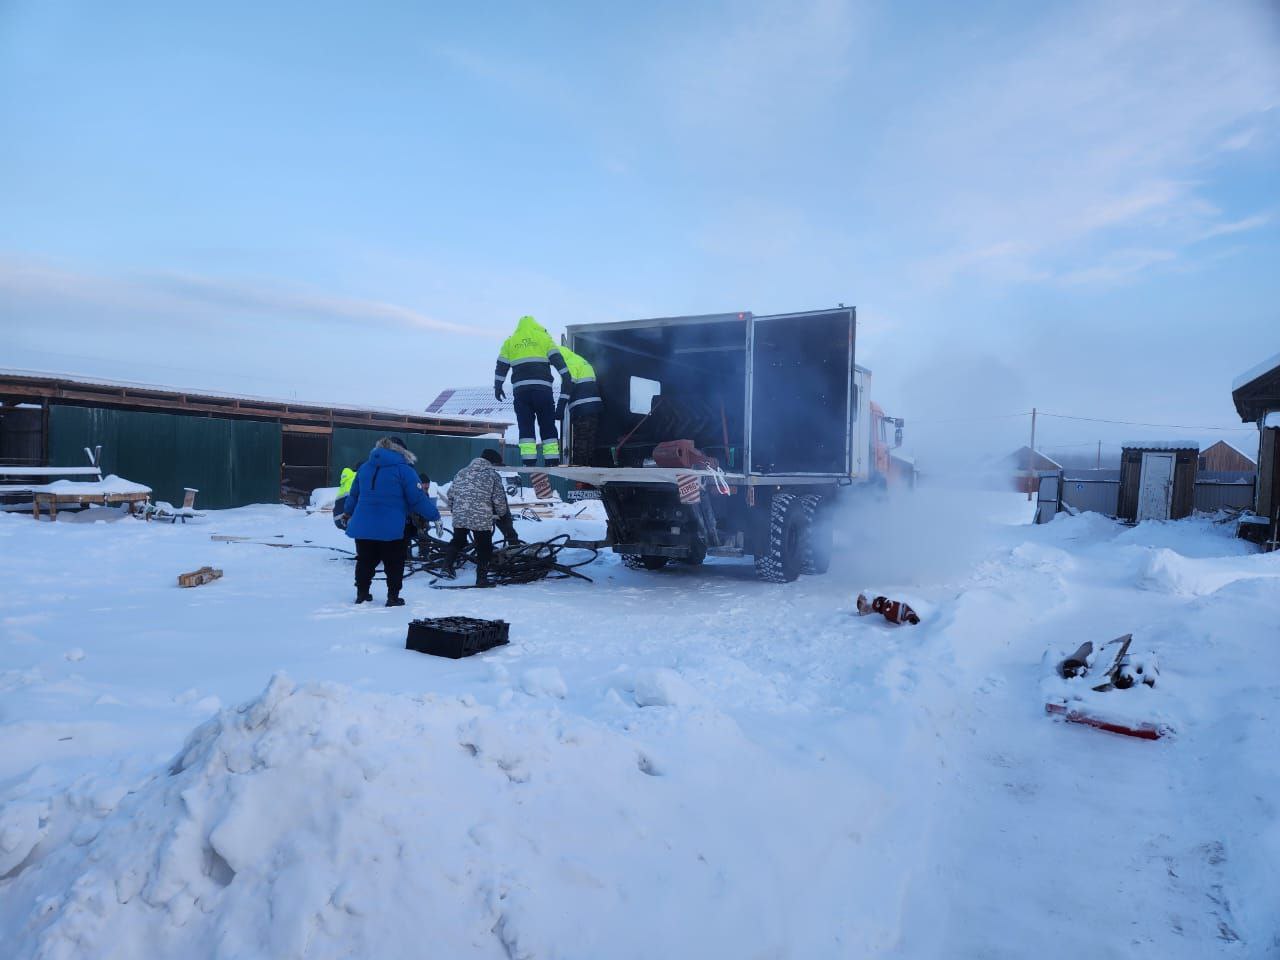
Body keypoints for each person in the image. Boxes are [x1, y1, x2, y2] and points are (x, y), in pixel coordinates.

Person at [337, 437, 439, 606]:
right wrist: (434, 515)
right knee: (394, 562)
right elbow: (417, 499)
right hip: (392, 527)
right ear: (401, 451)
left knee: (365, 560)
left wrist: (347, 513)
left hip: (363, 525)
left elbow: (354, 494)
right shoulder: (404, 470)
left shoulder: (365, 468)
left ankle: (362, 594)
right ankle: (393, 597)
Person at [494, 315, 568, 467]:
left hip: (521, 392)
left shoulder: (510, 341)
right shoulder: (544, 338)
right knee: (547, 423)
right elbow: (558, 361)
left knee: (525, 425)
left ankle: (528, 460)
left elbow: (501, 366)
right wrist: (566, 375)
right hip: (543, 390)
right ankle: (551, 459)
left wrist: (498, 386)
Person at [443, 448, 511, 586]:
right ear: (492, 462)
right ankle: (481, 578)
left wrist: (455, 510)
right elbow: (499, 500)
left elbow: (450, 494)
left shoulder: (461, 472)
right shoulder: (492, 475)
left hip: (460, 515)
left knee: (458, 540)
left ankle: (447, 567)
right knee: (484, 546)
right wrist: (502, 515)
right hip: (481, 517)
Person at [556, 344, 603, 466]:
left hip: (583, 409)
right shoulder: (580, 360)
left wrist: (560, 407)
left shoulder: (570, 363)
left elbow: (568, 385)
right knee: (590, 439)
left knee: (581, 440)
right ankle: (589, 466)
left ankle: (580, 468)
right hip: (594, 408)